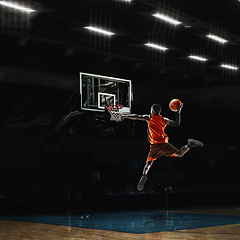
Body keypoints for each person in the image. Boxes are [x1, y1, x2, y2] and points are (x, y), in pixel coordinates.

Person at [121, 102, 203, 191]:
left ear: (152, 110)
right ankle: (189, 145)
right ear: (159, 112)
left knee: (148, 164)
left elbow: (136, 116)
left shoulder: (148, 117)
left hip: (155, 145)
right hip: (164, 144)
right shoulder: (164, 119)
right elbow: (176, 124)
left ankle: (144, 175)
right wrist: (179, 111)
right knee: (179, 154)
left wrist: (125, 116)